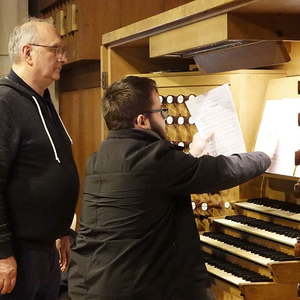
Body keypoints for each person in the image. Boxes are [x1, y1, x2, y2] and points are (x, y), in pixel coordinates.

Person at [68, 76, 271, 300]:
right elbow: (221, 171)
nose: (165, 119)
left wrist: (191, 158)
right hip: (130, 288)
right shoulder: (152, 159)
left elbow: (150, 185)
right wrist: (265, 155)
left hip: (91, 282)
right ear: (142, 121)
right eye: (161, 112)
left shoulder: (101, 158)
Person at [0, 18, 79, 299]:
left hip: (46, 249)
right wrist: (3, 255)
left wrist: (62, 231)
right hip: (19, 254)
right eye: (55, 50)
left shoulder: (45, 101)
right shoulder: (5, 103)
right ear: (28, 53)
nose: (63, 58)